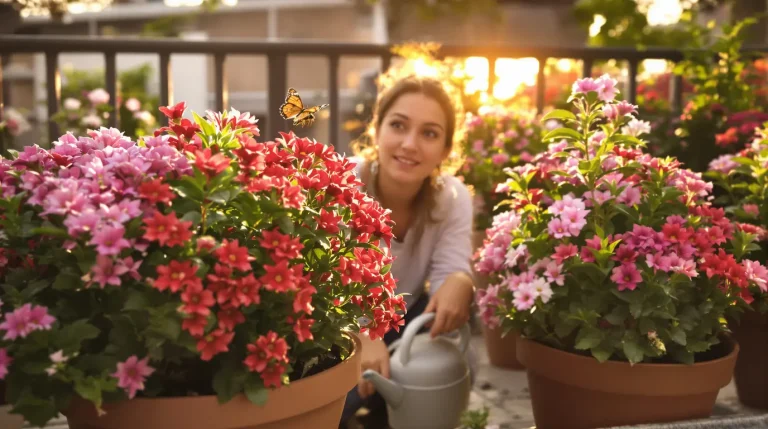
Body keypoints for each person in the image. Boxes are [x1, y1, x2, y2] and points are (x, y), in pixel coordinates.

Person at [340, 75, 476, 428]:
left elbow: (452, 270)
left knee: (450, 365)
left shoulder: (453, 197)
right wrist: (362, 333)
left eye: (429, 133)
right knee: (337, 402)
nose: (410, 144)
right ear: (377, 130)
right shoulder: (342, 186)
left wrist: (460, 281)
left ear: (446, 149)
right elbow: (321, 288)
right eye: (398, 125)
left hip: (403, 316)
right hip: (335, 323)